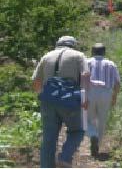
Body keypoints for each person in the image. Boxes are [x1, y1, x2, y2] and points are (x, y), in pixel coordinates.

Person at [32, 36, 90, 168]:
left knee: (49, 138)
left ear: (57, 44)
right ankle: (65, 157)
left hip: (48, 100)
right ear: (73, 45)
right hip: (69, 99)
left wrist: (42, 96)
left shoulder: (47, 56)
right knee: (78, 130)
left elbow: (36, 81)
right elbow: (85, 75)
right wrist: (85, 98)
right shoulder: (79, 55)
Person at [86, 43, 121, 158]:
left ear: (92, 52)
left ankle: (93, 135)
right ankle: (98, 143)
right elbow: (117, 83)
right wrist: (114, 97)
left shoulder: (86, 62)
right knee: (102, 119)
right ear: (104, 53)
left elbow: (80, 79)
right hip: (106, 93)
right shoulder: (111, 64)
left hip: (89, 92)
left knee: (88, 119)